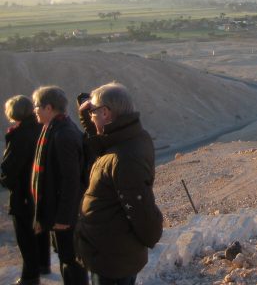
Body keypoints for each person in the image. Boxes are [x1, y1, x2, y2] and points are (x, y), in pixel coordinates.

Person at [75, 82, 163, 285]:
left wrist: (150, 238)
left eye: (93, 112)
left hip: (113, 259)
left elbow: (140, 207)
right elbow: (105, 149)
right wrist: (88, 121)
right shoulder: (131, 137)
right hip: (112, 253)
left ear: (106, 113)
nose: (91, 116)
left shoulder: (124, 158)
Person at [31, 86, 88, 285]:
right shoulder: (53, 129)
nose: (34, 110)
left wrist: (64, 217)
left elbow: (71, 180)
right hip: (61, 212)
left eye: (37, 106)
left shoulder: (63, 135)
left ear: (48, 107)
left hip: (67, 215)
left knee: (71, 260)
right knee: (65, 257)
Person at [1, 95, 51, 285]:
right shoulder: (41, 128)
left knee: (25, 234)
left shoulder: (20, 134)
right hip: (41, 189)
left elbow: (11, 168)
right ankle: (43, 265)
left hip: (23, 192)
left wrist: (6, 181)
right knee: (40, 228)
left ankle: (30, 276)